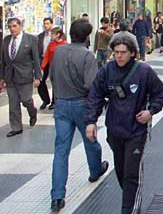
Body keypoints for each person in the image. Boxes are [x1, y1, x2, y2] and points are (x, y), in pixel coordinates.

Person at [85, 35, 163, 214]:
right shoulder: (107, 71)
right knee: (121, 171)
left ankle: (130, 209)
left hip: (136, 131)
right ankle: (131, 200)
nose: (119, 56)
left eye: (123, 52)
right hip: (115, 129)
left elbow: (160, 92)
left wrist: (150, 111)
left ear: (132, 53)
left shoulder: (144, 72)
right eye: (116, 53)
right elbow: (95, 96)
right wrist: (90, 121)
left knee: (132, 173)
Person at [49, 20, 108, 212]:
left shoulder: (58, 51)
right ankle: (95, 170)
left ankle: (57, 196)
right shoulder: (87, 55)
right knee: (90, 140)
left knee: (61, 150)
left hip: (62, 104)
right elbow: (92, 84)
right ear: (86, 36)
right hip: (81, 103)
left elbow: (51, 76)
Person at [0, 17, 41, 137]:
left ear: (20, 26)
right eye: (10, 27)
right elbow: (3, 61)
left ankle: (32, 112)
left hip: (25, 76)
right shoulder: (6, 40)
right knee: (13, 103)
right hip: (10, 77)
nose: (12, 29)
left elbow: (36, 59)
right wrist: (2, 78)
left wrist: (38, 76)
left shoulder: (30, 39)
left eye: (14, 26)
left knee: (25, 100)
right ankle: (16, 127)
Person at [41, 27, 68, 110]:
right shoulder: (51, 44)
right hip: (52, 67)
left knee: (61, 85)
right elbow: (46, 56)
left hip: (62, 67)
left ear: (58, 35)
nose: (51, 36)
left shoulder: (65, 44)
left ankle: (60, 102)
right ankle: (55, 102)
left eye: (53, 34)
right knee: (54, 85)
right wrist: (42, 67)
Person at [37, 17, 54, 109]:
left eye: (48, 23)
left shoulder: (55, 35)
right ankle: (45, 99)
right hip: (43, 60)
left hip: (53, 61)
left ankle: (54, 101)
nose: (46, 25)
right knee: (41, 80)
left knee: (54, 81)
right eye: (44, 23)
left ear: (51, 24)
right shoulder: (40, 36)